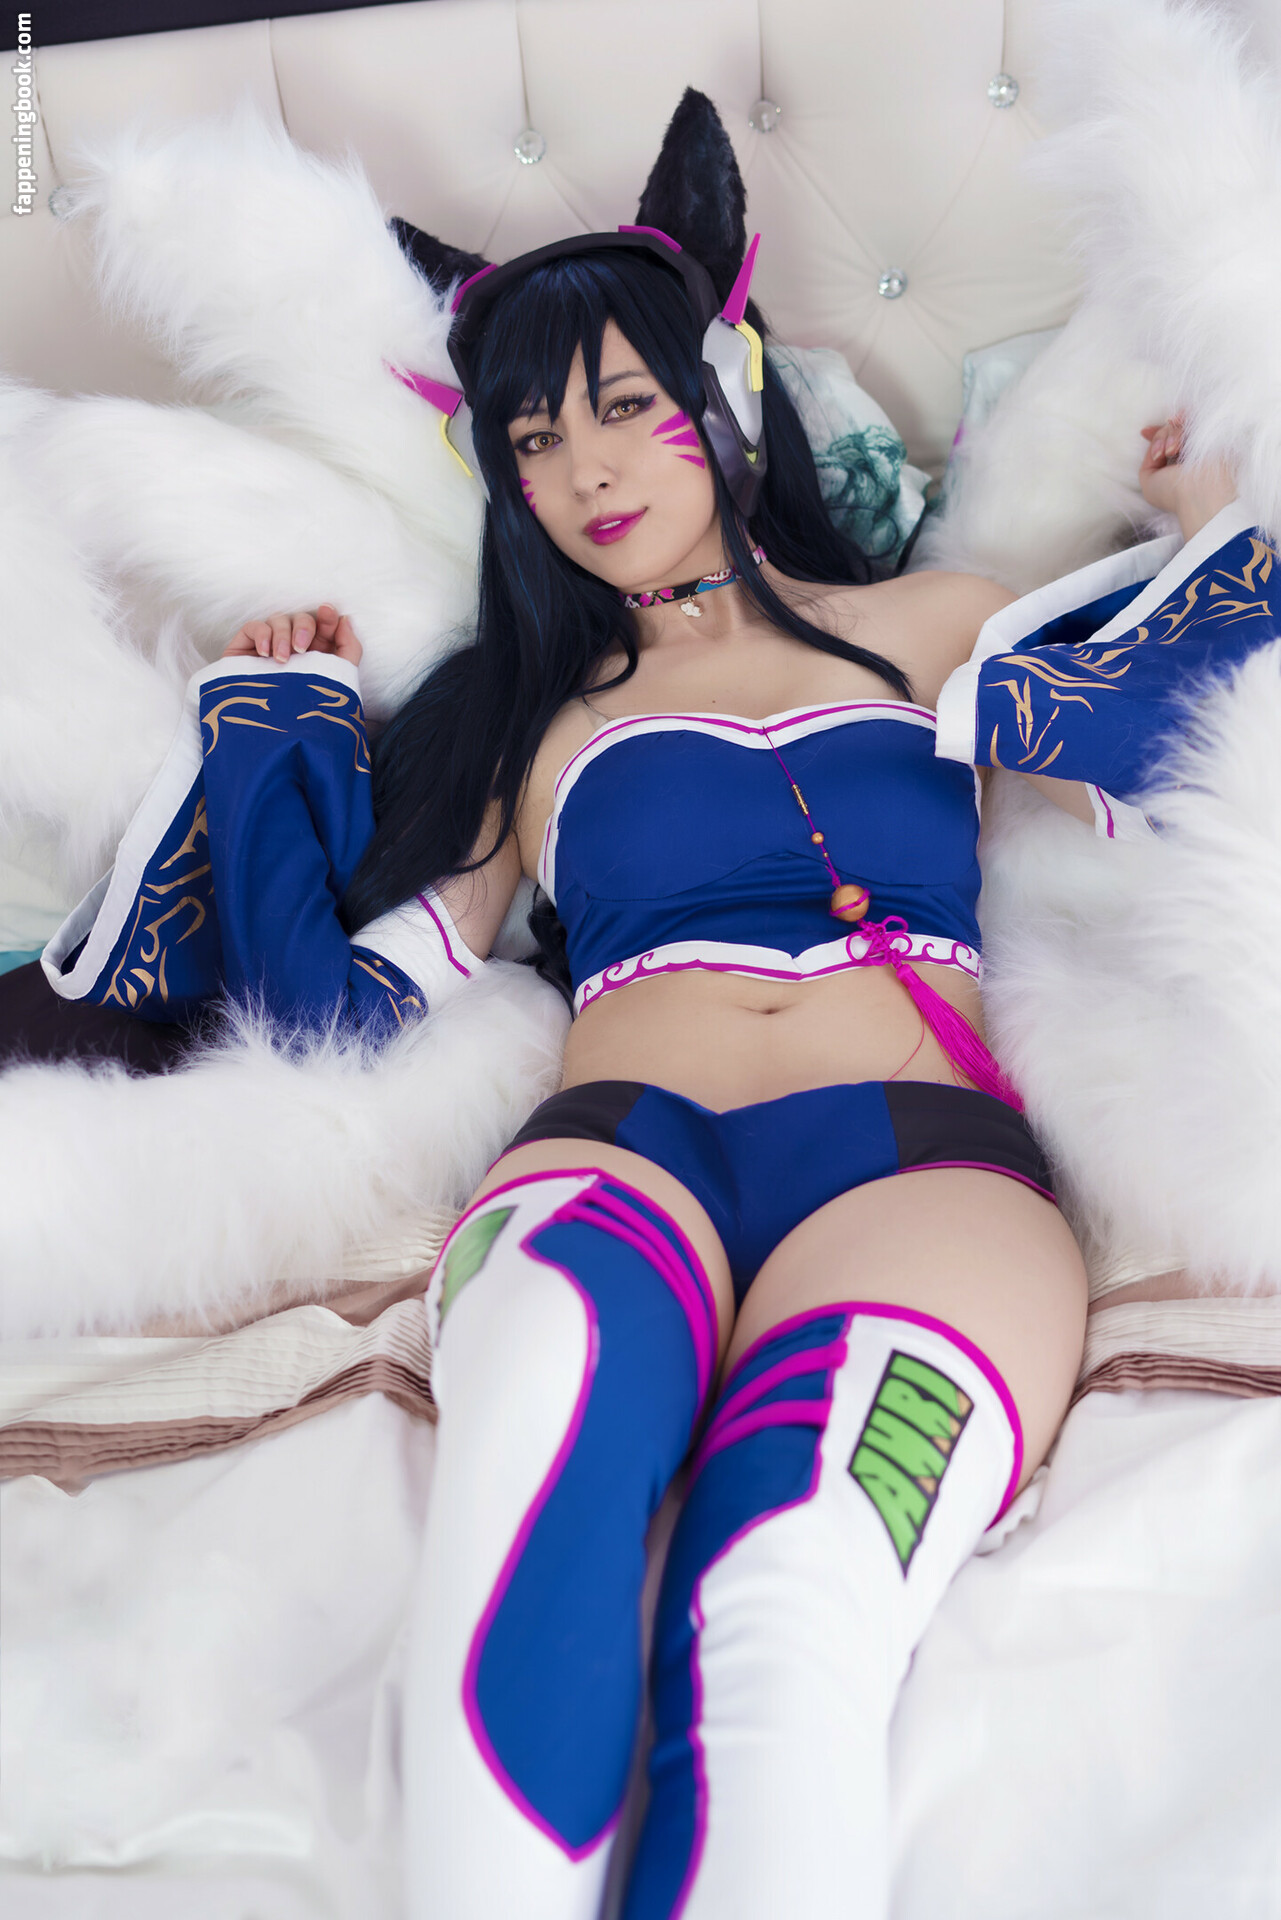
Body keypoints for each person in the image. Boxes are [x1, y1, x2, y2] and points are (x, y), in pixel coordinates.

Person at [28, 208, 1247, 1915]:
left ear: (720, 396)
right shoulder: (527, 725)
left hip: (921, 1175)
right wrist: (264, 737)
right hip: (612, 1155)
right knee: (535, 1496)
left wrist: (1207, 517)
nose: (583, 469)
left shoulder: (940, 624)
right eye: (531, 439)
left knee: (789, 1593)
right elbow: (332, 1014)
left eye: (621, 406)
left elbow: (1193, 754)